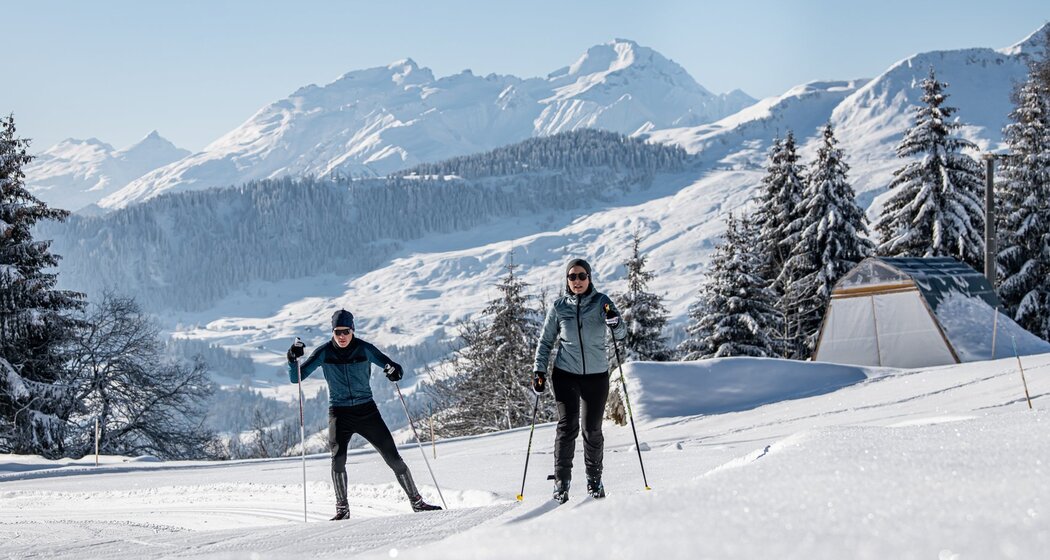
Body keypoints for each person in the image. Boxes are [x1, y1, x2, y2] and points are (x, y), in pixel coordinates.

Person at [287, 309, 441, 520]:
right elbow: (297, 378)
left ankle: (417, 502)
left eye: (346, 331)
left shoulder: (364, 349)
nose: (341, 336)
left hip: (366, 410)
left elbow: (393, 367)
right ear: (332, 332)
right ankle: (342, 510)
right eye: (337, 332)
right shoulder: (324, 353)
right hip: (339, 413)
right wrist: (291, 359)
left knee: (393, 458)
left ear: (353, 330)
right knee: (338, 458)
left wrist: (394, 372)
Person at [532, 258, 627, 503]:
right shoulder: (558, 307)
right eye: (572, 276)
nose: (577, 281)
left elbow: (621, 332)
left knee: (592, 429)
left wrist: (614, 322)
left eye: (581, 276)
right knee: (568, 426)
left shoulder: (601, 302)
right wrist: (539, 371)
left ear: (589, 278)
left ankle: (594, 480)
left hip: (596, 376)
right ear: (566, 280)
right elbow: (545, 342)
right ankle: (561, 483)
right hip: (565, 374)